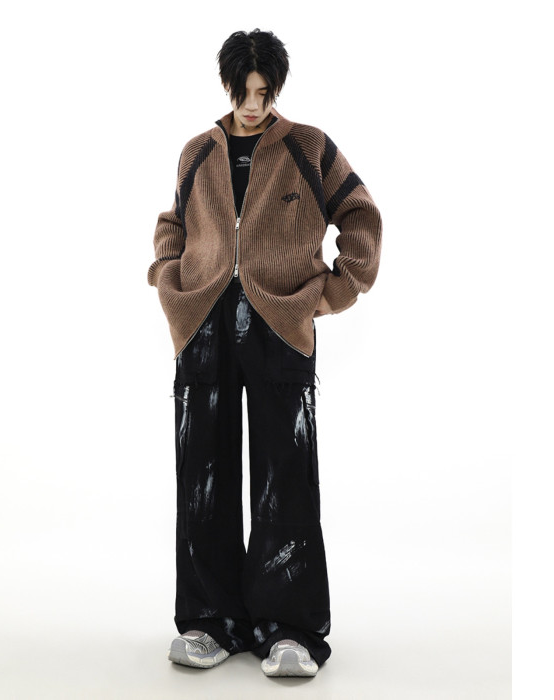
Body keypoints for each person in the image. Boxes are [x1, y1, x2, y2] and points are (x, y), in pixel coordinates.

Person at [147, 28, 382, 677]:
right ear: (227, 85)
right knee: (202, 473)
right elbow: (173, 222)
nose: (253, 105)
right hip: (204, 324)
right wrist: (169, 276)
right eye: (243, 91)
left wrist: (334, 290)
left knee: (286, 473)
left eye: (264, 92)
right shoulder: (198, 151)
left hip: (281, 323)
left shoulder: (309, 147)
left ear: (277, 88)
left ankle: (290, 629)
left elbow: (359, 214)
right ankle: (210, 622)